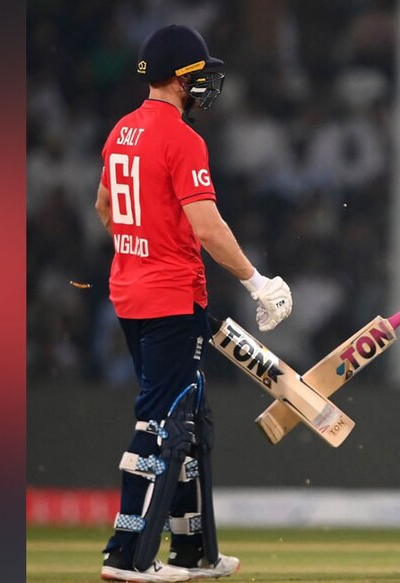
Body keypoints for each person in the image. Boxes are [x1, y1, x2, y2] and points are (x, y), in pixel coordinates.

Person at [94, 24, 293, 582]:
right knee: (163, 423)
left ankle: (193, 552)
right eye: (200, 74)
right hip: (169, 298)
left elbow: (106, 207)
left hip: (132, 292)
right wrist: (257, 281)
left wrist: (143, 248)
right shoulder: (181, 137)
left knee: (192, 419)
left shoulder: (122, 131)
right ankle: (127, 554)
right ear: (181, 78)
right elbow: (206, 225)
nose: (206, 83)